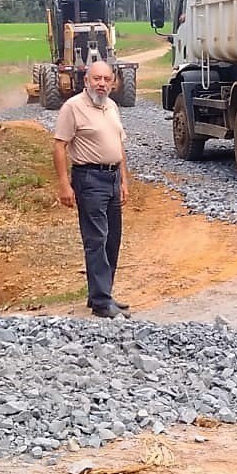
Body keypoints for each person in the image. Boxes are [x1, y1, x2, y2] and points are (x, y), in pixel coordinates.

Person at [52, 60, 131, 319]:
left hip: (111, 177)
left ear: (113, 81)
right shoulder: (72, 108)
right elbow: (59, 146)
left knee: (112, 239)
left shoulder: (112, 106)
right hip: (89, 178)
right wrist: (64, 184)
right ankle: (100, 302)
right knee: (96, 239)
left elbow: (119, 147)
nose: (102, 83)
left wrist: (123, 180)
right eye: (96, 78)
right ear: (86, 80)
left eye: (106, 79)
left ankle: (102, 292)